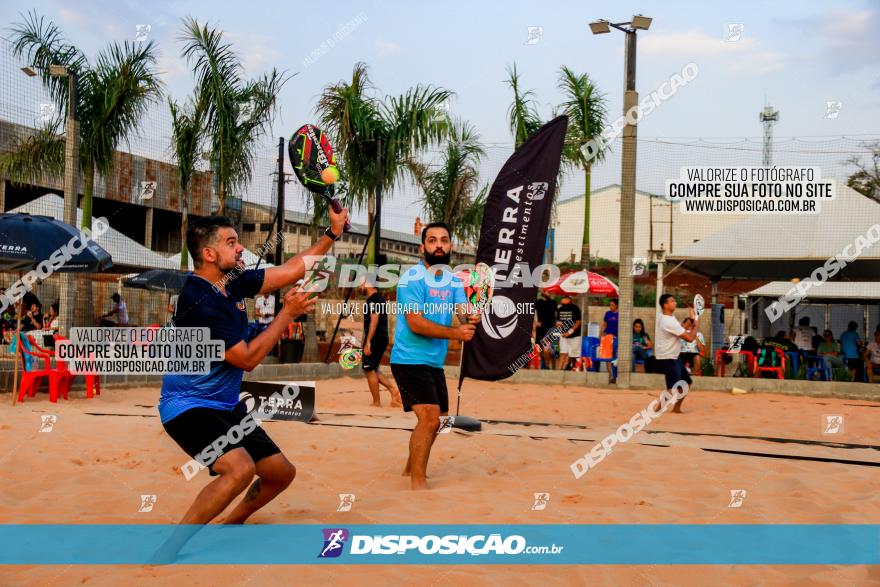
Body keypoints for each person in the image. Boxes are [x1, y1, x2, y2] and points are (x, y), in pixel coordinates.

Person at [154, 206, 348, 560]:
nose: (241, 248)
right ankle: (171, 547)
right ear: (209, 254)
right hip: (188, 407)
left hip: (226, 405)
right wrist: (286, 314)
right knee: (240, 468)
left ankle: (232, 522)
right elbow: (246, 359)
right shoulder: (198, 302)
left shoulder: (232, 280)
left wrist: (332, 234)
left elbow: (291, 269)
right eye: (231, 243)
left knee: (280, 474)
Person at [390, 222, 474, 490]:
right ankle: (418, 485)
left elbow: (462, 311)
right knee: (429, 419)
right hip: (408, 359)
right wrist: (457, 333)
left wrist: (470, 316)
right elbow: (415, 323)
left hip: (433, 362)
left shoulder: (452, 281)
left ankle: (409, 466)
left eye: (444, 240)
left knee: (441, 421)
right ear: (422, 247)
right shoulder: (411, 279)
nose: (439, 245)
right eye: (432, 240)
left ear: (451, 246)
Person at [654, 294, 700, 413]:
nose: (675, 302)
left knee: (686, 383)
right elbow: (690, 338)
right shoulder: (668, 320)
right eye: (672, 301)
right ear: (665, 305)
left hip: (674, 356)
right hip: (668, 357)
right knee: (673, 389)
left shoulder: (665, 317)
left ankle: (676, 409)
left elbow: (677, 329)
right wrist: (696, 323)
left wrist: (690, 321)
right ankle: (655, 411)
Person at [359, 278, 401, 407]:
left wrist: (368, 342)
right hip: (379, 337)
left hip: (376, 338)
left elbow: (374, 321)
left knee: (369, 369)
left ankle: (376, 402)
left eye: (361, 282)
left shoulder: (374, 299)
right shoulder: (377, 298)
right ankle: (393, 391)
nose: (360, 285)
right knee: (373, 367)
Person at [554, 295, 582, 370]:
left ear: (570, 301)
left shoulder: (575, 308)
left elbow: (578, 322)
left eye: (566, 303)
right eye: (563, 303)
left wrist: (570, 332)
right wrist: (558, 325)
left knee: (574, 355)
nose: (564, 305)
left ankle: (572, 369)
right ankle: (559, 371)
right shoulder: (560, 309)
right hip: (563, 335)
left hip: (575, 336)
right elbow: (557, 322)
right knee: (563, 353)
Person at [534, 290, 558, 369]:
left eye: (550, 292)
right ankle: (544, 365)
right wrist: (535, 322)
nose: (550, 293)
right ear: (543, 292)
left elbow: (556, 315)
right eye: (548, 292)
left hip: (551, 328)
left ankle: (547, 366)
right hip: (540, 329)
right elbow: (532, 313)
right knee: (540, 349)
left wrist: (557, 324)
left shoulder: (554, 303)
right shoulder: (538, 302)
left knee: (549, 349)